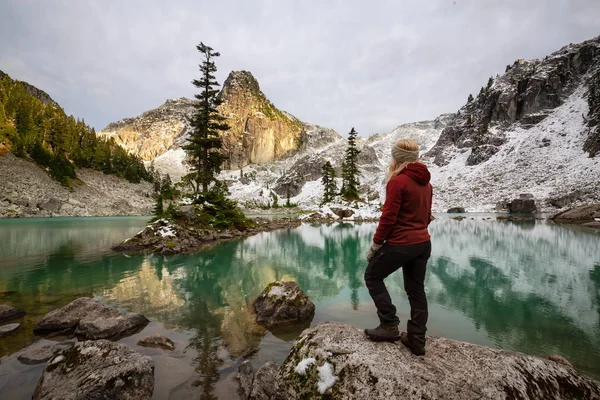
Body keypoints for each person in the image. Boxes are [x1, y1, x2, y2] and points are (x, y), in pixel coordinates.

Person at [364, 138, 433, 356]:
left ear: (398, 159)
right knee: (416, 290)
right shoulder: (427, 183)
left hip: (402, 244)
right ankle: (417, 339)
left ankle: (389, 325)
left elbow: (388, 218)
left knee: (372, 276)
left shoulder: (398, 182)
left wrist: (376, 245)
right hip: (423, 243)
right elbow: (427, 215)